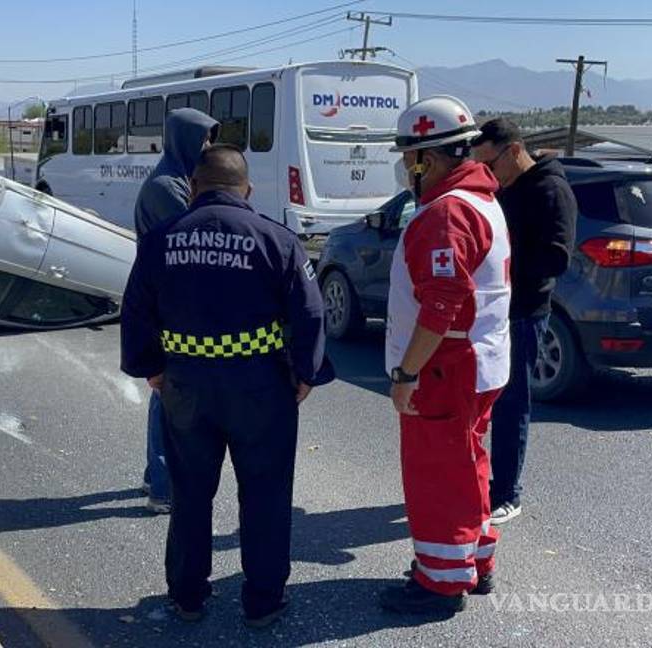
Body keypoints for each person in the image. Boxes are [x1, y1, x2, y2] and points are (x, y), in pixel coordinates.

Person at [120, 144, 331, 627]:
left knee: (191, 493)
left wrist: (150, 366)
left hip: (185, 387)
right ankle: (263, 601)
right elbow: (312, 310)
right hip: (260, 387)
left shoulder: (161, 239)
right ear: (247, 189)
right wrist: (305, 371)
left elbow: (135, 311)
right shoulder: (275, 239)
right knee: (265, 493)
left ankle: (188, 596)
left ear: (193, 188)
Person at [380, 96, 511, 615]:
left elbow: (441, 304)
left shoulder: (447, 213)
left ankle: (439, 584)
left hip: (446, 368)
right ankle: (473, 563)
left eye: (408, 156)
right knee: (468, 466)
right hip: (479, 362)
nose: (405, 167)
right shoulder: (481, 200)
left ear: (426, 160)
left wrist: (406, 372)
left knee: (437, 475)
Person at [471, 119, 577, 525]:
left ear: (514, 150)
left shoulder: (551, 190)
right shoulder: (506, 187)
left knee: (512, 403)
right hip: (493, 311)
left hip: (524, 312)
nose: (487, 174)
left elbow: (556, 259)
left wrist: (502, 268)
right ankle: (481, 483)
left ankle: (507, 493)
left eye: (490, 164)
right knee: (486, 400)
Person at [133, 108, 220, 514]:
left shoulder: (177, 178)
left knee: (170, 391)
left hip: (173, 298)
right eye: (204, 139)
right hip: (168, 302)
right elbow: (193, 234)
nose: (209, 148)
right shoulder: (167, 186)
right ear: (185, 139)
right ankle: (163, 487)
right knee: (167, 393)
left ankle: (157, 476)